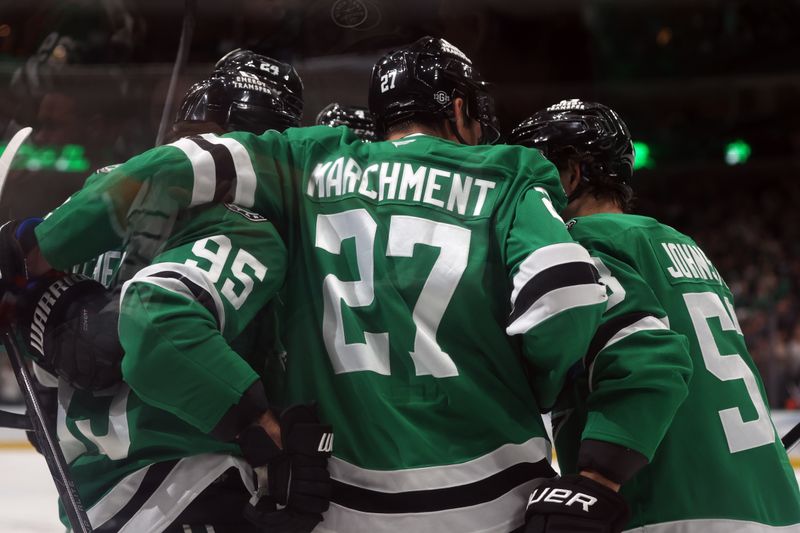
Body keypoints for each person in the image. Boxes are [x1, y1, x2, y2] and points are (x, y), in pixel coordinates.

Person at [4, 37, 609, 532]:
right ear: (458, 111)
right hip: (487, 493)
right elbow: (565, 299)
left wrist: (35, 248)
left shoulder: (307, 161)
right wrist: (535, 385)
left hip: (331, 504)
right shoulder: (507, 172)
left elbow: (166, 180)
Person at [4, 52, 332, 533]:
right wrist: (266, 430)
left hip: (90, 496)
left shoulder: (87, 206)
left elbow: (47, 374)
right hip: (186, 489)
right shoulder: (246, 227)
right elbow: (159, 329)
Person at [510, 99, 800, 532]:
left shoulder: (579, 248)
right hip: (773, 503)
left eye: (537, 173)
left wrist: (597, 478)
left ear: (571, 173)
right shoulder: (684, 245)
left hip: (671, 507)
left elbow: (650, 363)